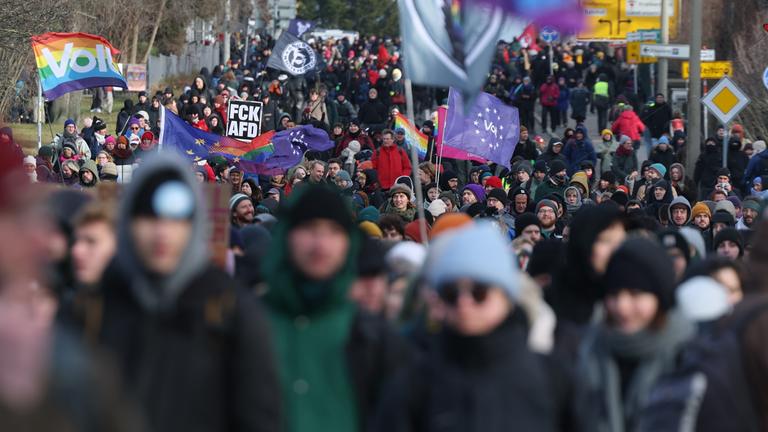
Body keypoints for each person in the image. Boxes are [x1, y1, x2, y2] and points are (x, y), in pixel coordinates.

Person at [92, 153, 281, 432]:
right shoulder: (94, 307)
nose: (162, 233)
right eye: (148, 217)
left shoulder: (231, 311)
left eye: (176, 219)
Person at [375, 222, 581, 432]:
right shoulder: (415, 382)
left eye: (479, 293)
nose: (464, 303)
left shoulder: (552, 377)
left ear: (505, 296)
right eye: (451, 294)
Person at [261, 185, 409, 432]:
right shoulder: (248, 322)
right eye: (309, 229)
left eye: (334, 231)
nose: (321, 244)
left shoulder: (374, 337)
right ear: (287, 235)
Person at [576, 238, 695, 432]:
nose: (622, 308)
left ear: (660, 297)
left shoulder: (690, 357)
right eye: (614, 295)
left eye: (635, 294)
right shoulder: (587, 351)